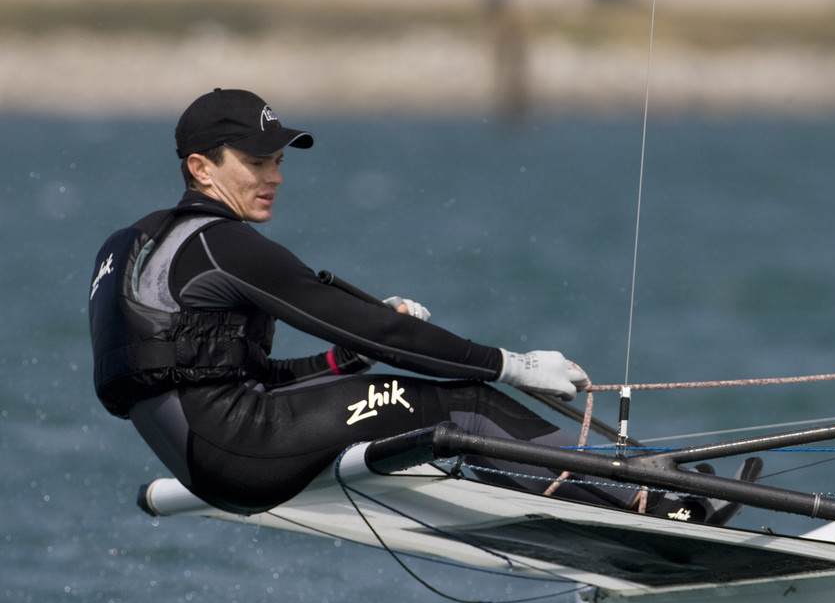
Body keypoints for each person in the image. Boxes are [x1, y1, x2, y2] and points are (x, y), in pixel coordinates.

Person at [88, 88, 599, 515]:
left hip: (206, 461)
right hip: (243, 451)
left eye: (279, 161)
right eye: (257, 162)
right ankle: (644, 497)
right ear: (201, 167)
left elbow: (229, 379)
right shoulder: (221, 245)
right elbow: (386, 335)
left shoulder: (132, 246)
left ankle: (580, 497)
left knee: (431, 408)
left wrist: (343, 361)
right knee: (468, 404)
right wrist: (513, 364)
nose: (276, 178)